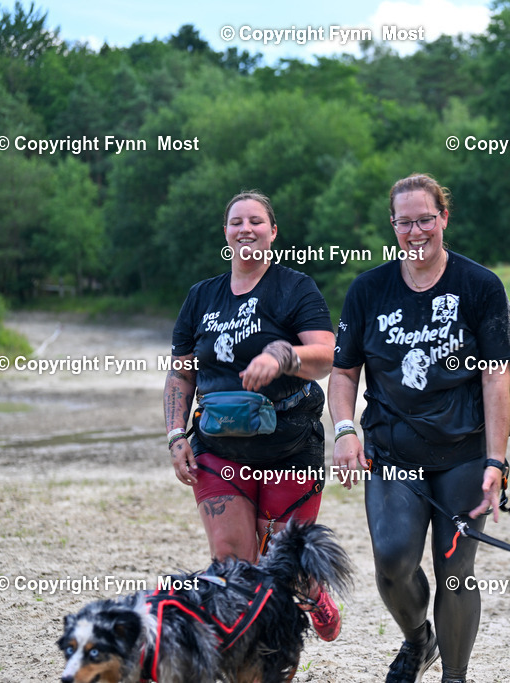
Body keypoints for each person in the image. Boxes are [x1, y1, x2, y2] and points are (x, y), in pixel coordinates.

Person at [328, 173, 510, 682]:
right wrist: (345, 430)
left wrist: (496, 461)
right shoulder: (369, 290)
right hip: (393, 453)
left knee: (455, 571)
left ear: (444, 218)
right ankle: (419, 641)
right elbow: (344, 373)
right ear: (393, 225)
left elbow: (495, 377)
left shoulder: (480, 286)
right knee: (393, 561)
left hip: (464, 453)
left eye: (425, 220)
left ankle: (454, 676)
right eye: (405, 222)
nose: (416, 232)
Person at [163, 190, 342, 641]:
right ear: (225, 232)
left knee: (283, 567)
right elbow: (181, 373)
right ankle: (257, 659)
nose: (246, 229)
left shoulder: (294, 288)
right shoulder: (201, 296)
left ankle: (310, 589)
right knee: (233, 565)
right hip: (218, 447)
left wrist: (282, 356)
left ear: (273, 231)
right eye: (237, 222)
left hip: (290, 445)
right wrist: (175, 435)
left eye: (256, 221)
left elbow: (327, 355)